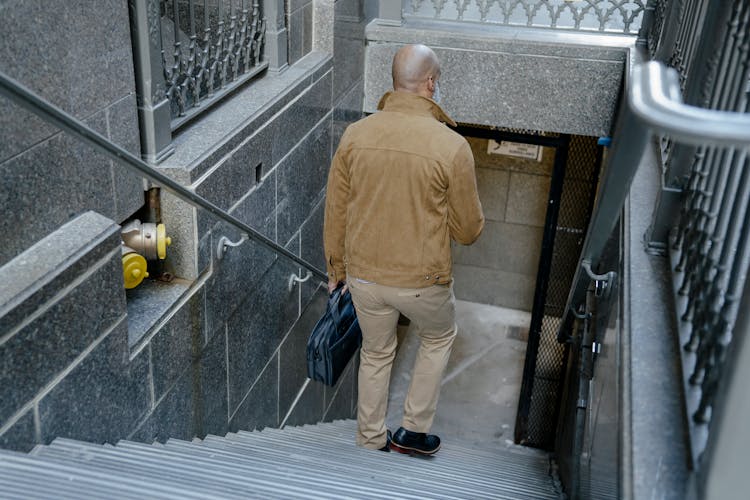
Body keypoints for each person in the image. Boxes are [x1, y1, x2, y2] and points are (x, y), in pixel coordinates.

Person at [323, 44, 484, 455]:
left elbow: (336, 211)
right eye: (437, 81)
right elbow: (467, 231)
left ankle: (370, 438)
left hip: (364, 278)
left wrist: (336, 269)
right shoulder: (451, 147)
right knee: (439, 336)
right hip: (422, 280)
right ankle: (413, 431)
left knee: (376, 352)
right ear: (430, 84)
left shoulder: (356, 135)